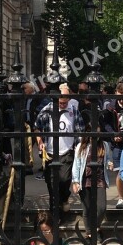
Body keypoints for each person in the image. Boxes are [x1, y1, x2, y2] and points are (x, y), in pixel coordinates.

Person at [34, 85, 84, 216]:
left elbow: (80, 131)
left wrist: (79, 148)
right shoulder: (47, 110)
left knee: (64, 180)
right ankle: (55, 215)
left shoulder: (73, 110)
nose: (62, 105)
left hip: (67, 151)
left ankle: (64, 198)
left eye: (65, 102)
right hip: (50, 153)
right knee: (51, 185)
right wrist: (39, 142)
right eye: (60, 102)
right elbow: (37, 128)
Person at [71, 123, 111, 240]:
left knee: (102, 207)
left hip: (99, 179)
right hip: (85, 179)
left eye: (98, 132)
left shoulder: (104, 145)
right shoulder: (81, 146)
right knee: (87, 208)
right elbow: (76, 165)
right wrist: (75, 181)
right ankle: (89, 233)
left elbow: (108, 159)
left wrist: (109, 163)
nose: (96, 135)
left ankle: (96, 227)